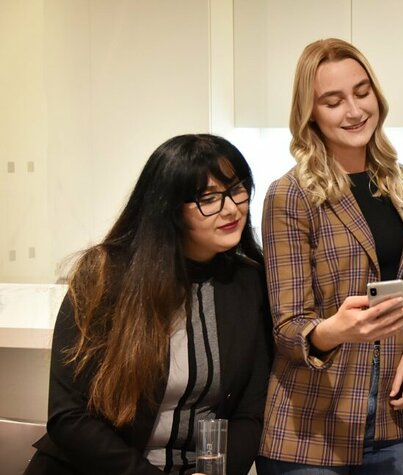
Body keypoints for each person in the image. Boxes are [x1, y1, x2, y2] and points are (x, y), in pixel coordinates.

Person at [24, 134, 272, 475]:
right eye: (208, 198)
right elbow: (69, 416)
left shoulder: (249, 283)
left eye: (237, 189)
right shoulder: (104, 276)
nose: (231, 208)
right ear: (168, 209)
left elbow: (250, 412)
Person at [257, 38, 403, 474]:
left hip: (392, 419)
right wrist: (333, 330)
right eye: (333, 102)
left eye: (361, 92)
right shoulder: (291, 194)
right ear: (310, 113)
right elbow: (287, 328)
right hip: (312, 428)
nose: (354, 111)